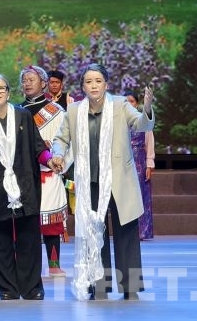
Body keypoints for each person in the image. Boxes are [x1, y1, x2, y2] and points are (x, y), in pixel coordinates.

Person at [50, 63, 154, 301]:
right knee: (94, 234)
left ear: (106, 84)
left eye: (98, 81)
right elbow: (61, 139)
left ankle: (130, 287)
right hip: (90, 183)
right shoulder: (74, 110)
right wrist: (58, 154)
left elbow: (141, 124)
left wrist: (147, 109)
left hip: (119, 181)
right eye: (89, 81)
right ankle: (99, 285)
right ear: (83, 86)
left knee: (126, 234)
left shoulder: (120, 105)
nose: (94, 85)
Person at [0, 74, 48, 300]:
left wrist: (50, 159)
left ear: (8, 92)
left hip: (25, 184)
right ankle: (7, 288)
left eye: (0, 88)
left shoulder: (23, 116)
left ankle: (32, 288)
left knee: (29, 238)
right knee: (0, 239)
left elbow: (38, 148)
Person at [18, 65, 68, 277]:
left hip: (48, 172)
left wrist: (53, 153)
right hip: (22, 176)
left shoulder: (57, 112)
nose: (27, 83)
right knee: (23, 222)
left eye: (32, 79)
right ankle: (27, 266)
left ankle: (54, 264)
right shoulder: (15, 111)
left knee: (51, 221)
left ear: (44, 83)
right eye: (24, 80)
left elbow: (65, 141)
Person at [124, 90, 155, 240]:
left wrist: (149, 164)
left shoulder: (142, 120)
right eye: (126, 101)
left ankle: (142, 231)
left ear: (137, 104)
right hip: (123, 162)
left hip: (139, 161)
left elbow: (149, 143)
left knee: (141, 195)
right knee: (125, 197)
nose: (129, 104)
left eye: (132, 101)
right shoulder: (118, 121)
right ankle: (126, 232)